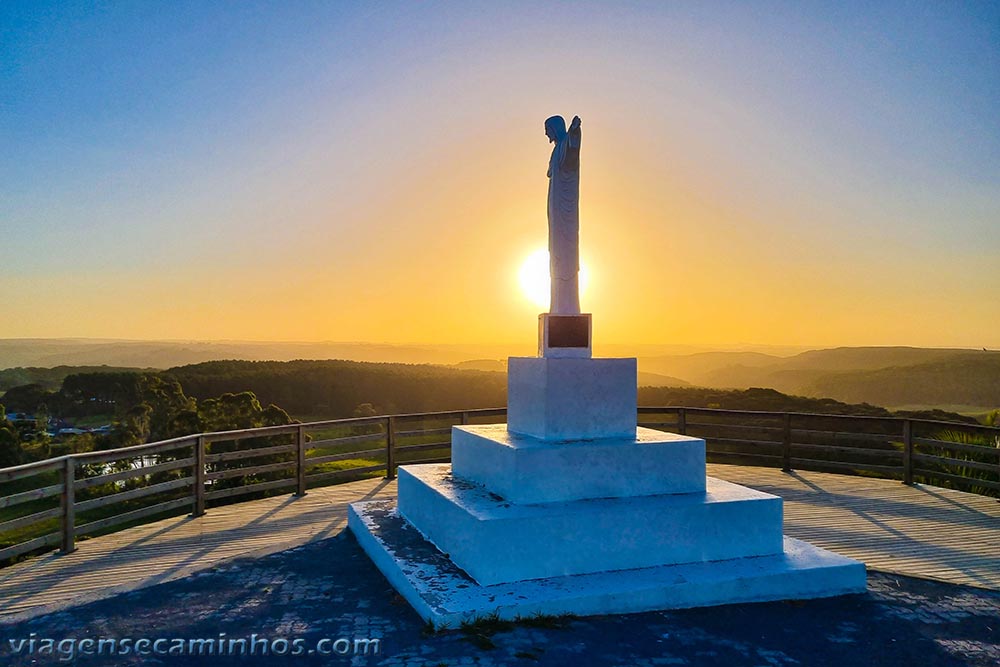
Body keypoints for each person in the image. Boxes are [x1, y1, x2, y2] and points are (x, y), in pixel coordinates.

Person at [545, 114, 582, 315]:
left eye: (548, 130)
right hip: (556, 210)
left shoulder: (564, 146)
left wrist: (574, 131)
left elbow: (572, 150)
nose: (546, 134)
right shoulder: (555, 151)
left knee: (565, 256)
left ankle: (567, 309)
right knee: (555, 255)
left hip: (566, 214)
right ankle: (558, 308)